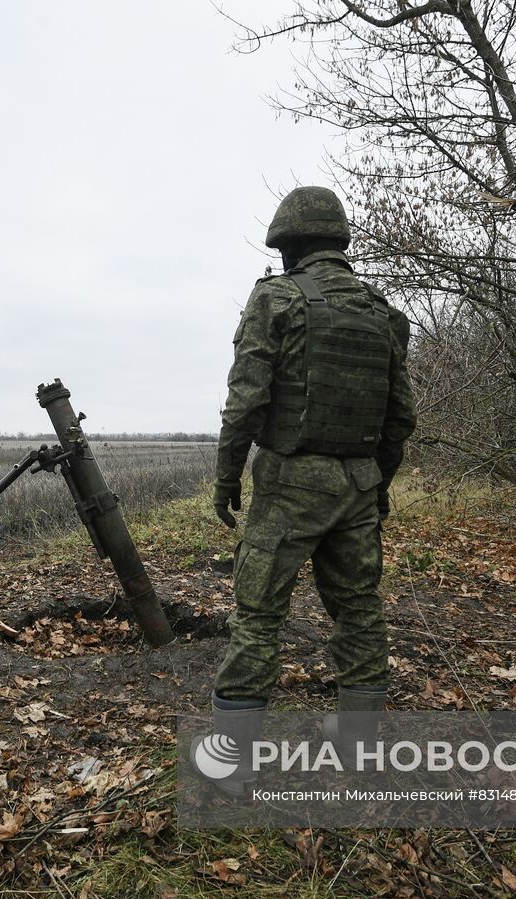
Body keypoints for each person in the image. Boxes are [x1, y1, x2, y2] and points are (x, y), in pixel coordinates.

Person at [200, 186, 417, 793]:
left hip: (292, 482)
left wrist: (226, 476)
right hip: (358, 479)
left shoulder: (276, 298)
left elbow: (246, 400)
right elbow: (401, 417)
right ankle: (360, 752)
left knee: (259, 614)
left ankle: (230, 767)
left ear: (288, 243)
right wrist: (377, 484)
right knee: (359, 608)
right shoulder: (382, 313)